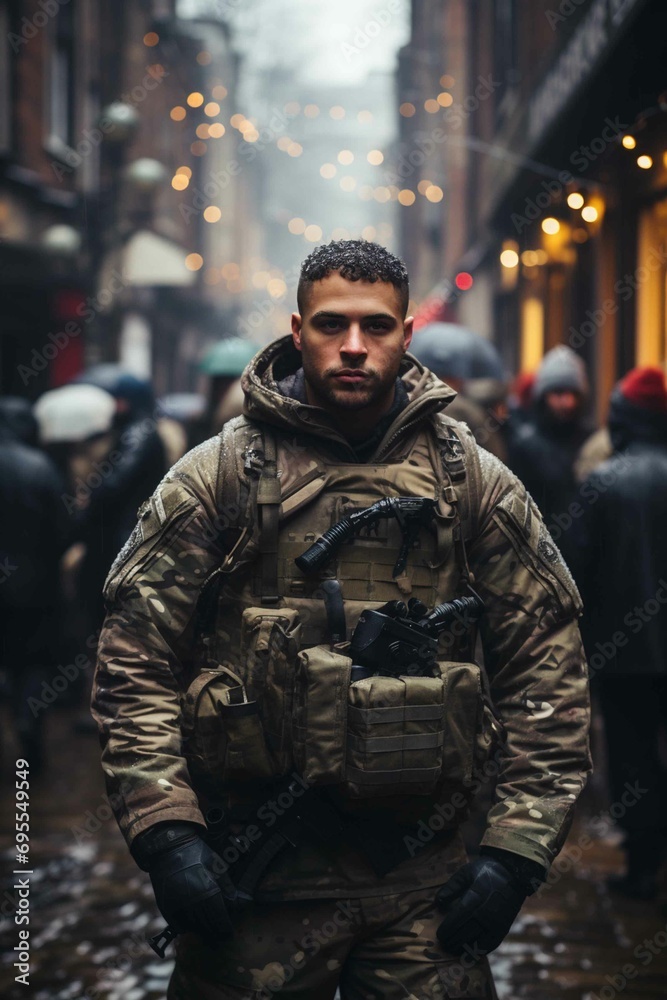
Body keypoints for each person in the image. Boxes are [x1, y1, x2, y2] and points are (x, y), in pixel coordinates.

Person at [92, 240, 591, 1000]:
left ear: (405, 334)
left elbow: (546, 669)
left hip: (423, 888)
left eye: (376, 326)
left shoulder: (473, 484)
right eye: (331, 324)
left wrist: (514, 853)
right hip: (255, 885)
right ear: (297, 330)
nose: (353, 346)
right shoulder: (218, 478)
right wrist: (167, 833)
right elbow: (133, 662)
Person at [575, 366, 667, 900]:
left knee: (631, 754)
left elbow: (575, 570)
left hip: (624, 648)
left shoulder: (605, 481)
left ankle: (641, 864)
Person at [0, 396, 69, 771]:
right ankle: (28, 725)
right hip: (34, 587)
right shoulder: (40, 466)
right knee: (32, 665)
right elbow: (64, 528)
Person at [507, 345, 594, 566]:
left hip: (587, 559)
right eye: (558, 393)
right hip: (543, 560)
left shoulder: (590, 441)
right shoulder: (525, 446)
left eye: (573, 393)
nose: (567, 402)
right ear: (543, 396)